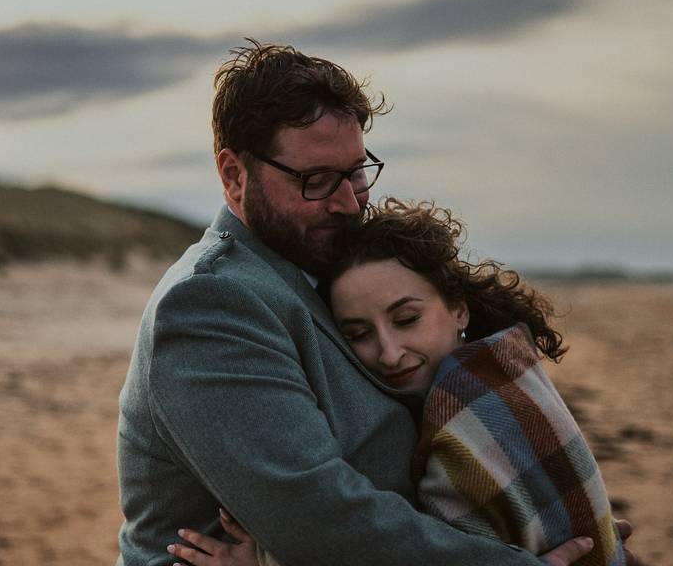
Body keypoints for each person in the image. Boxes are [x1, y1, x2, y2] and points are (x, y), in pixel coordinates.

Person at [116, 40, 633, 565]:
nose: (347, 202)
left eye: (356, 172)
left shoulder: (319, 270)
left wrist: (554, 525)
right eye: (315, 180)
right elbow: (318, 515)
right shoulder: (211, 303)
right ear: (234, 176)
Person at [169, 199, 627, 566]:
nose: (389, 353)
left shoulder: (468, 406)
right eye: (358, 335)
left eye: (407, 319)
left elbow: (426, 553)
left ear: (458, 308)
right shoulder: (505, 363)